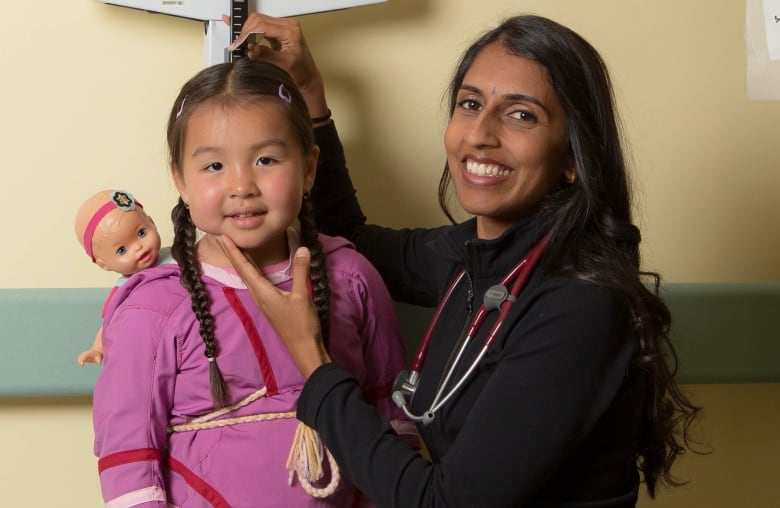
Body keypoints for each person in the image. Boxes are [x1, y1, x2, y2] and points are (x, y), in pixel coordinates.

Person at [219, 13, 702, 507]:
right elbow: (353, 239)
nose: (480, 135)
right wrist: (310, 98)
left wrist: (313, 360)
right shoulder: (475, 256)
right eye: (470, 104)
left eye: (521, 115)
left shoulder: (579, 304)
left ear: (574, 157)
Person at [92, 59, 415, 507]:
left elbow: (394, 421)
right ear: (180, 179)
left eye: (266, 159)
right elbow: (128, 457)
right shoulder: (152, 308)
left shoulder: (352, 276)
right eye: (213, 166)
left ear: (308, 169)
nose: (242, 185)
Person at [74, 189, 168, 366]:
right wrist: (97, 349)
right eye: (122, 250)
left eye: (141, 233)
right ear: (104, 264)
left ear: (152, 223)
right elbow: (108, 326)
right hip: (156, 353)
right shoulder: (123, 291)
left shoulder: (178, 255)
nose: (139, 247)